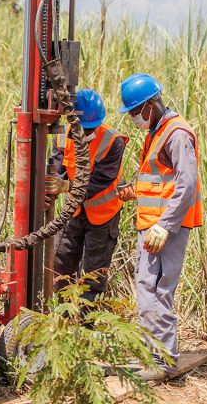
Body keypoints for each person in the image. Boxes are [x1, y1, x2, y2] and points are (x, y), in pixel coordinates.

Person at [116, 73, 203, 380]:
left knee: (156, 292)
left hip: (165, 230)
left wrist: (165, 225)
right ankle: (152, 356)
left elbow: (187, 183)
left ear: (150, 105)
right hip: (153, 228)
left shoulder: (176, 133)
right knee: (147, 290)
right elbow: (158, 181)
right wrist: (130, 191)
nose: (133, 118)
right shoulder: (158, 131)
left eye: (134, 112)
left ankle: (163, 363)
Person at [47, 89, 129, 302]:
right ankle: (63, 316)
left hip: (103, 216)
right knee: (57, 264)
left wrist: (66, 186)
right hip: (73, 212)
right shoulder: (62, 137)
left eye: (92, 128)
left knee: (92, 275)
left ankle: (86, 327)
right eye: (84, 128)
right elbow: (56, 169)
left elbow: (99, 183)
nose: (88, 132)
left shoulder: (112, 142)